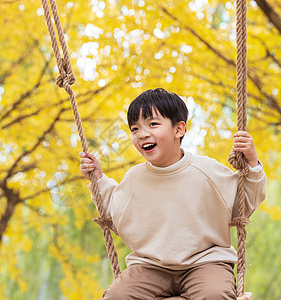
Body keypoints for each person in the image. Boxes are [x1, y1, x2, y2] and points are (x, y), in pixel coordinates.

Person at [79, 88, 266, 300]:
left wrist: (251, 163)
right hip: (151, 266)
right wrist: (98, 178)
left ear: (179, 129)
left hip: (205, 263)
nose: (142, 134)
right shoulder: (135, 178)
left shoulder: (207, 170)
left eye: (153, 124)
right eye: (134, 128)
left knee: (214, 295)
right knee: (116, 296)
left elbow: (243, 203)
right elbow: (115, 212)